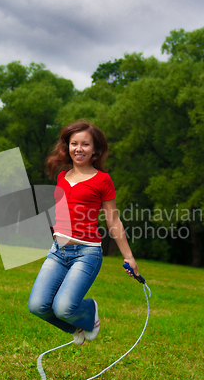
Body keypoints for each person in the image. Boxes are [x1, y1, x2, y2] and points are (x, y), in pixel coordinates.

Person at [28, 119, 139, 346]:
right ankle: (77, 326)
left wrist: (129, 257)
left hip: (86, 253)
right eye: (74, 143)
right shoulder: (62, 176)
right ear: (67, 147)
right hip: (57, 252)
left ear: (95, 150)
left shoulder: (102, 180)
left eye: (85, 144)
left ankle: (89, 309)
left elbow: (113, 219)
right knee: (37, 305)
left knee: (63, 307)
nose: (79, 148)